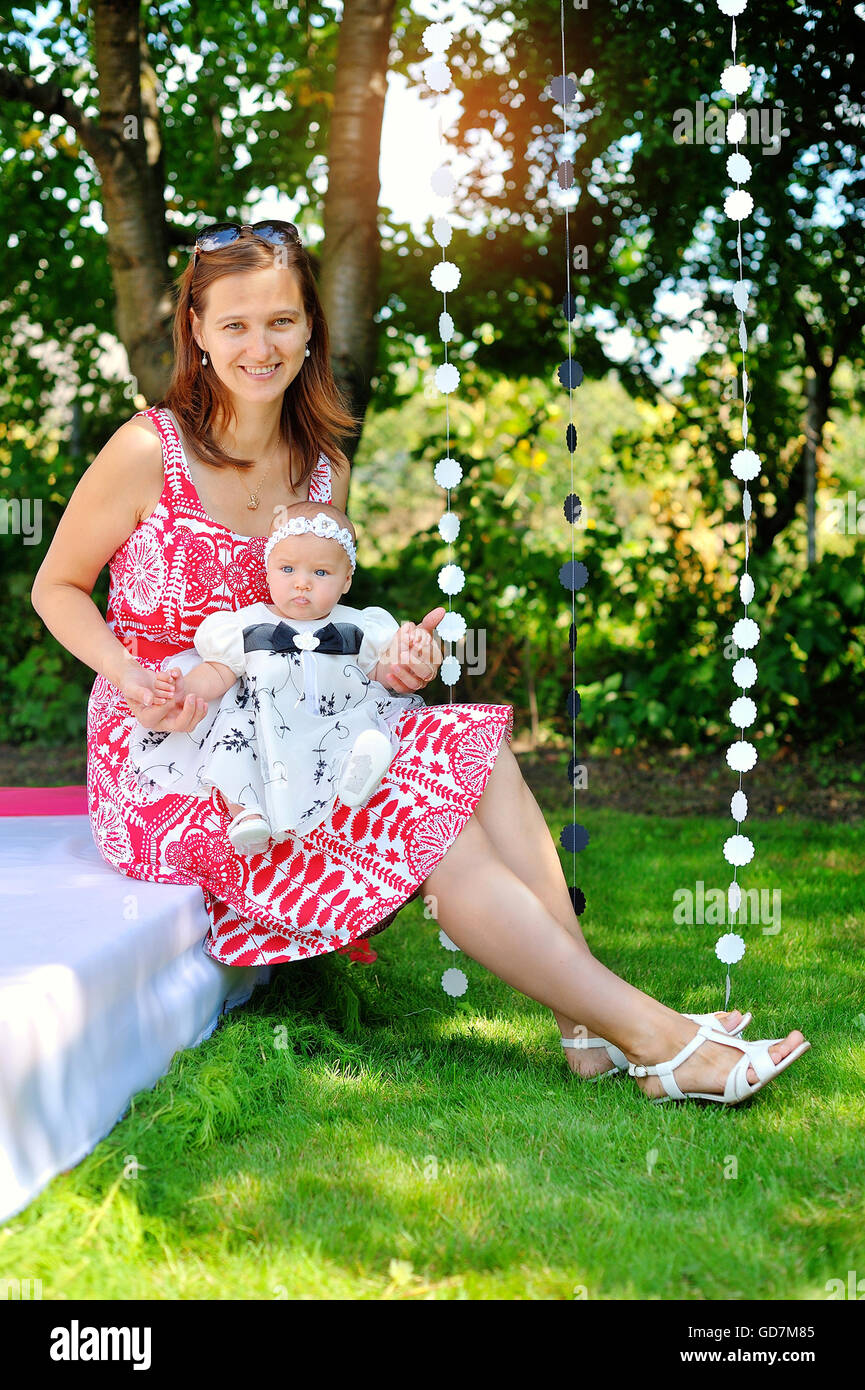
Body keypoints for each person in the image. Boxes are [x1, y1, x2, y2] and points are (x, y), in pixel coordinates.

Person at [30, 219, 809, 1107]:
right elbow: (56, 587)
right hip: (174, 749)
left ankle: (589, 1025)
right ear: (197, 331)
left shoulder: (323, 468)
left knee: (472, 753)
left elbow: (319, 618)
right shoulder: (147, 450)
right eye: (236, 324)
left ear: (311, 329)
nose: (260, 345)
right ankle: (659, 1043)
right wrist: (128, 673)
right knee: (440, 826)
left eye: (282, 321)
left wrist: (393, 664)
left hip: (308, 717)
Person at [128, 499, 435, 855]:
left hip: (332, 719)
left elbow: (380, 675)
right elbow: (217, 674)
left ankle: (354, 774)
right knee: (233, 733)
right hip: (267, 726)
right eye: (287, 569)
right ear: (269, 569)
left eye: (320, 573)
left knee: (361, 726)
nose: (302, 583)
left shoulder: (359, 625)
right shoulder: (244, 626)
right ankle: (245, 812)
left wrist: (404, 655)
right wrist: (182, 687)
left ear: (347, 579)